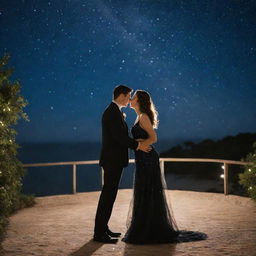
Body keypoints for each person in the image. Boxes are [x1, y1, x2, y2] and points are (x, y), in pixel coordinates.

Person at [122, 90, 208, 244]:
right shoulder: (138, 116)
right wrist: (138, 146)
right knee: (144, 192)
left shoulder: (143, 117)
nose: (130, 99)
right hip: (143, 158)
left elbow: (154, 137)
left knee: (148, 191)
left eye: (133, 97)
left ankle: (149, 229)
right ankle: (146, 227)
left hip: (148, 158)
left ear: (139, 101)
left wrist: (140, 146)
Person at [93, 85, 151, 243]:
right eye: (129, 95)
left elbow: (119, 136)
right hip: (112, 161)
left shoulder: (115, 111)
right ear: (121, 95)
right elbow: (120, 137)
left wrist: (136, 142)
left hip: (114, 161)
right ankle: (99, 234)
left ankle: (103, 228)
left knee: (109, 196)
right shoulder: (112, 112)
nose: (130, 99)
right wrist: (138, 145)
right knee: (107, 196)